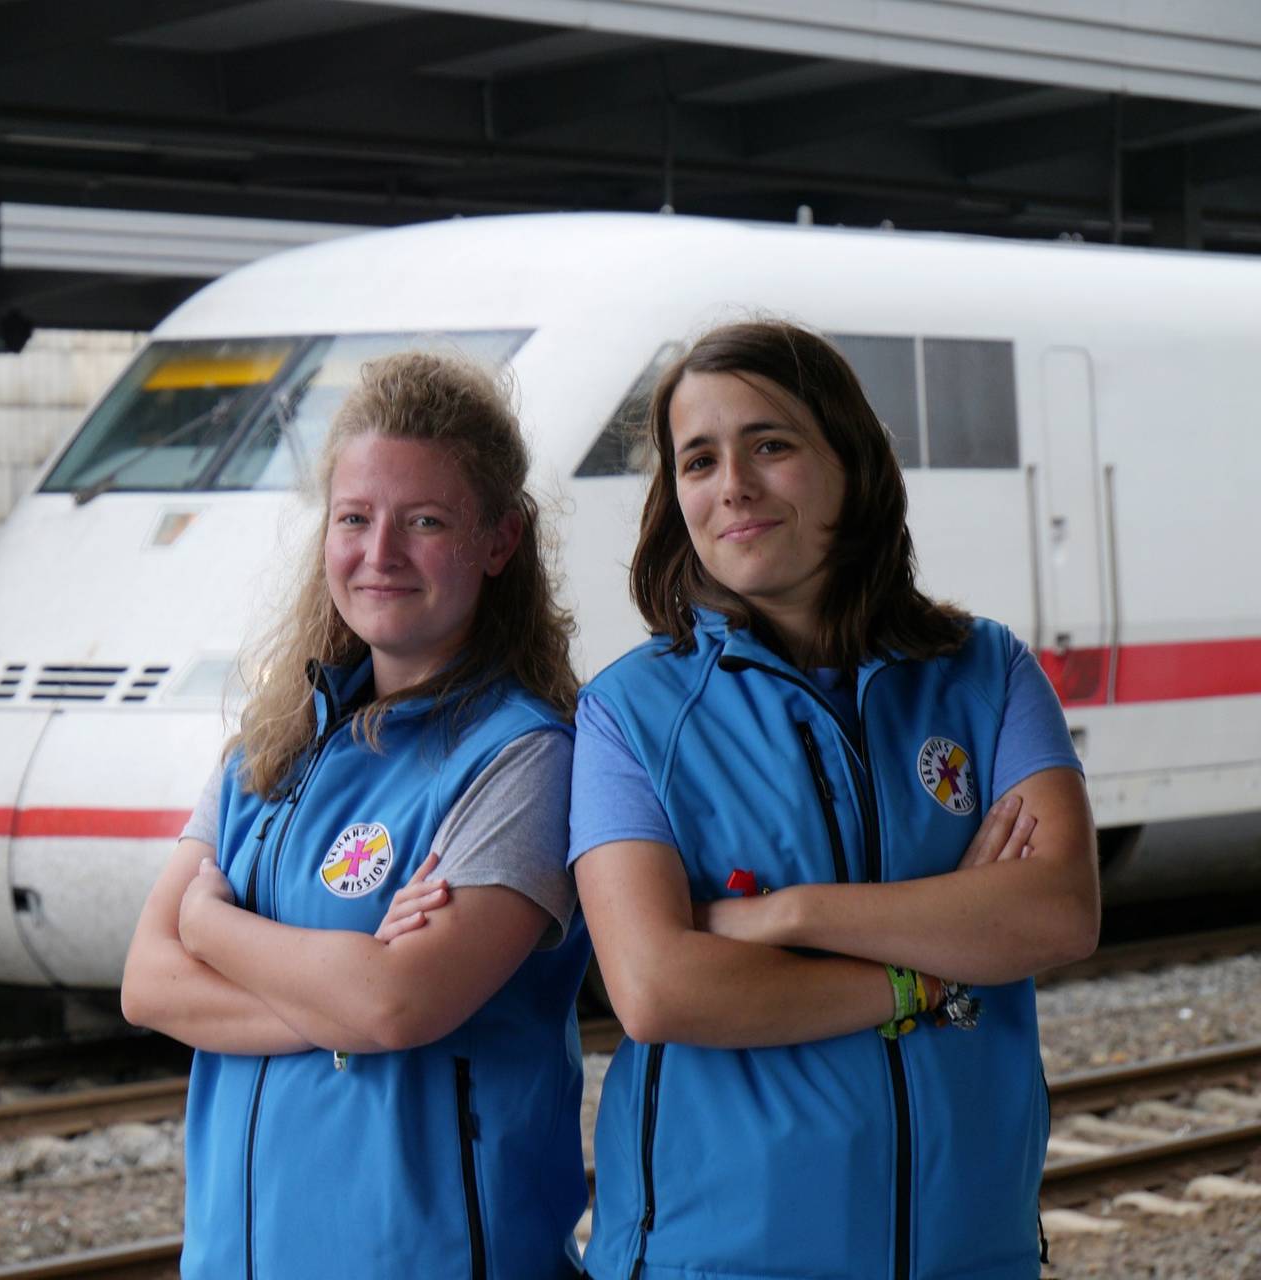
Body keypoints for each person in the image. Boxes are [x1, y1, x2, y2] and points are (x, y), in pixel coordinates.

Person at [569, 320, 1100, 1280]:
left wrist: (787, 915)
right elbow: (656, 988)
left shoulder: (984, 672)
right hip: (716, 1259)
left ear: (850, 461)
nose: (732, 483)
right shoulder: (630, 714)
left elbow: (1057, 911)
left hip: (968, 1256)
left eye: (770, 443)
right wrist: (930, 971)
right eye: (699, 460)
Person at [121, 351, 590, 1280]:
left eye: (424, 522)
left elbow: (396, 1001)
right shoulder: (272, 746)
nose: (379, 555)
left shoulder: (525, 758)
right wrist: (340, 992)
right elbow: (146, 984)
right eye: (354, 518)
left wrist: (211, 924)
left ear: (499, 541)